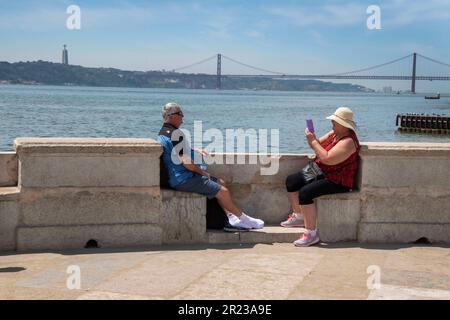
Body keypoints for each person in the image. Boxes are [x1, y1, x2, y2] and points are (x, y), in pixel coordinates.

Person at [156, 102, 264, 230]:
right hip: (184, 179)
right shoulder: (176, 135)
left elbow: (174, 151)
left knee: (220, 182)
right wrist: (203, 173)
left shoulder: (164, 133)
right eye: (180, 114)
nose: (183, 118)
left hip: (177, 177)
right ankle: (244, 219)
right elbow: (188, 164)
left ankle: (231, 218)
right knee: (222, 191)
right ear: (171, 116)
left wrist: (193, 149)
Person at [280, 107, 360, 247]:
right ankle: (298, 216)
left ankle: (311, 234)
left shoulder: (348, 141)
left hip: (338, 179)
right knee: (292, 181)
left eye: (335, 121)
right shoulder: (334, 133)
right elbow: (316, 145)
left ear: (343, 124)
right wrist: (311, 137)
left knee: (305, 193)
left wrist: (313, 141)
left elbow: (327, 159)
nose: (332, 123)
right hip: (321, 170)